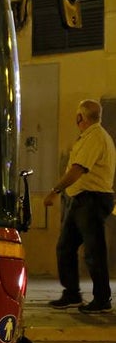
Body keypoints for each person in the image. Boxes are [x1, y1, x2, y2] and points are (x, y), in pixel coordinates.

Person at [45, 99, 116, 313]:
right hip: (81, 200)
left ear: (80, 117)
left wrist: (55, 191)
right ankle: (72, 293)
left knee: (94, 252)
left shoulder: (95, 137)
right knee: (65, 247)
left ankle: (102, 299)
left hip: (92, 199)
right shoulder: (91, 137)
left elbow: (78, 169)